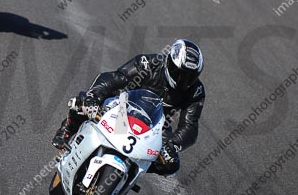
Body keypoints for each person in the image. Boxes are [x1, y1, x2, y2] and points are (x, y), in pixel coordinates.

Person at [52, 39, 205, 176]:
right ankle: (69, 127)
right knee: (85, 101)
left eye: (190, 77)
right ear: (169, 63)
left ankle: (131, 168)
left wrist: (173, 145)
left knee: (171, 164)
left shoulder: (196, 91)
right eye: (180, 74)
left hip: (156, 125)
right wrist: (94, 97)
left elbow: (190, 125)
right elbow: (115, 78)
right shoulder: (148, 63)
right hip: (122, 106)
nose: (184, 81)